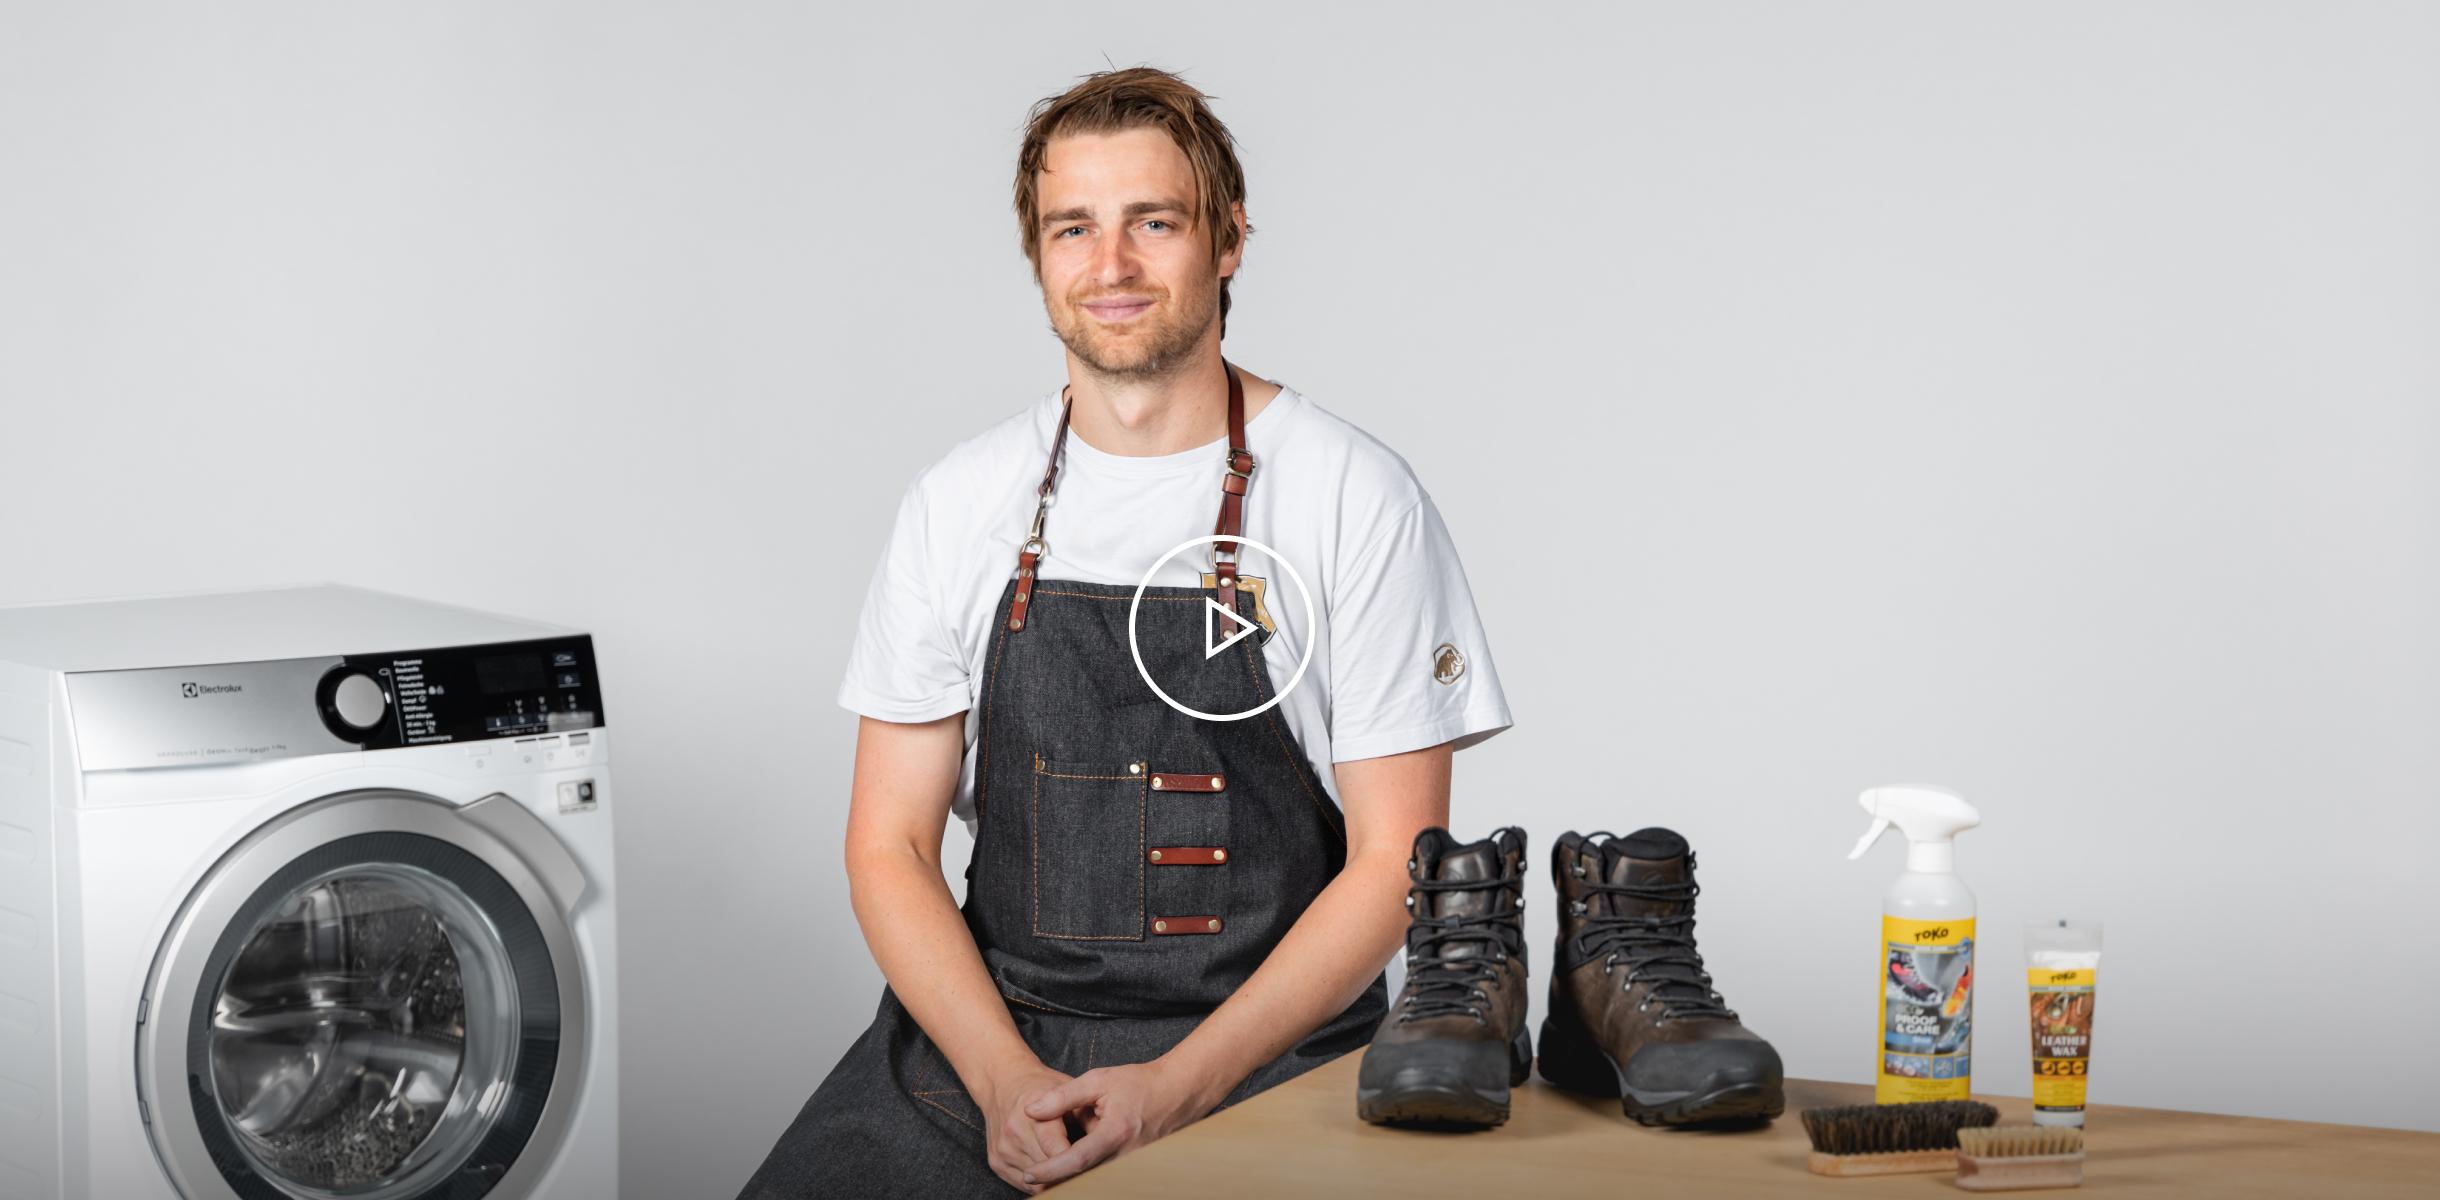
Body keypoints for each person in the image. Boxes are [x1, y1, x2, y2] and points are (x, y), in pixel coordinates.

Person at [737, 65, 1511, 1198]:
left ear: (1229, 239)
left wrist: (1183, 1086)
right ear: (1037, 254)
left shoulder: (1354, 496)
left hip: (1268, 1057)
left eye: (1154, 221)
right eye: (1072, 228)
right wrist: (1004, 1083)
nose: (1110, 267)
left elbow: (1395, 857)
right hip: (992, 1051)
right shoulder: (960, 504)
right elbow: (889, 849)